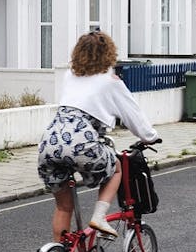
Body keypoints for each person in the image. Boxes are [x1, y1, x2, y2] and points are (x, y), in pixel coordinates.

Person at [37, 30, 159, 241]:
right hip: (81, 141)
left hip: (50, 142)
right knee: (116, 168)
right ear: (109, 54)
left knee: (63, 207)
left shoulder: (69, 76)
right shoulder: (111, 82)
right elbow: (135, 119)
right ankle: (99, 217)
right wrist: (150, 136)